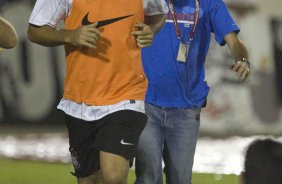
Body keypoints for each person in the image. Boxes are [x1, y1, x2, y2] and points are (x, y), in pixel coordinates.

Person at [27, 0, 168, 184]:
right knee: (87, 181)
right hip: (78, 100)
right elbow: (35, 30)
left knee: (114, 177)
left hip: (126, 95)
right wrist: (70, 35)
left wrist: (151, 30)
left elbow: (159, 14)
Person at [135, 0, 251, 183]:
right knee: (149, 176)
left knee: (180, 179)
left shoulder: (211, 4)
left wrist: (243, 59)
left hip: (186, 108)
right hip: (145, 102)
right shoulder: (148, 2)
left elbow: (234, 41)